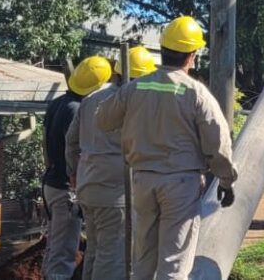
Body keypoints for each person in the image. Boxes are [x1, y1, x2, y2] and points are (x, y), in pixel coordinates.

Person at [96, 16, 238, 280]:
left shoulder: (135, 87)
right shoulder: (196, 93)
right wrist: (226, 181)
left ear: (162, 50)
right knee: (174, 265)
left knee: (144, 261)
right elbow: (218, 144)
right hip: (180, 184)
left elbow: (103, 120)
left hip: (142, 179)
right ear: (192, 55)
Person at [65, 46, 157, 280]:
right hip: (115, 194)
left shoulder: (91, 99)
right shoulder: (137, 104)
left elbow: (71, 141)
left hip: (88, 186)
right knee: (111, 257)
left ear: (116, 73)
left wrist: (73, 171)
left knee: (95, 250)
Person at [43, 55, 112, 280]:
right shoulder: (78, 110)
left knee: (55, 245)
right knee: (64, 253)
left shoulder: (58, 104)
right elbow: (76, 150)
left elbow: (45, 143)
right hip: (66, 189)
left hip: (52, 184)